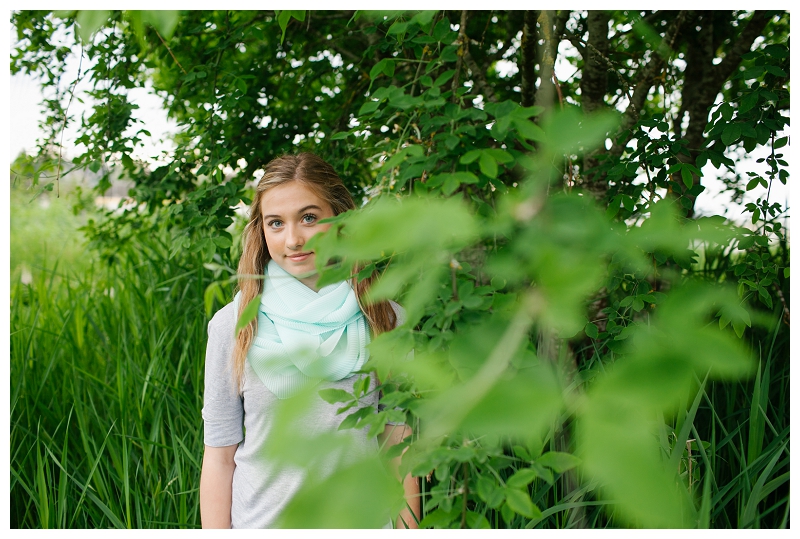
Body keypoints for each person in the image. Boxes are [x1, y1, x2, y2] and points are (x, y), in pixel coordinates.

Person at [199, 153, 420, 529]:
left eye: (309, 217)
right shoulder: (234, 326)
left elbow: (398, 448)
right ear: (262, 230)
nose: (293, 239)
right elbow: (220, 459)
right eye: (276, 223)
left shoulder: (385, 318)